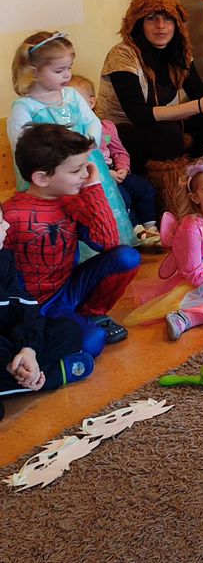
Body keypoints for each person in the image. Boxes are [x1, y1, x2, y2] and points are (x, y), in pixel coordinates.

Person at [1, 125, 140, 352]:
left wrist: (93, 188)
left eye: (86, 167)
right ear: (42, 178)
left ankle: (90, 314)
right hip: (30, 308)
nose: (85, 175)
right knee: (92, 342)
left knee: (127, 257)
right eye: (76, 171)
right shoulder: (11, 215)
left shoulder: (73, 202)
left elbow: (108, 243)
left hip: (66, 291)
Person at [9, 32, 135, 249]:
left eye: (69, 68)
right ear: (34, 72)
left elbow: (92, 121)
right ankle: (67, 255)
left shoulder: (72, 96)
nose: (67, 75)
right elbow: (21, 145)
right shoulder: (25, 106)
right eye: (59, 70)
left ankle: (102, 249)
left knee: (92, 208)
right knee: (60, 218)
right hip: (51, 176)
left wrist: (88, 142)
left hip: (85, 165)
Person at [96, 0, 203, 170]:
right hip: (116, 133)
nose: (161, 26)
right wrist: (200, 105)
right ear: (138, 23)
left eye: (168, 18)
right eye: (151, 18)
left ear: (177, 24)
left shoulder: (179, 52)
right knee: (169, 132)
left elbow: (198, 93)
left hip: (158, 124)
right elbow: (138, 114)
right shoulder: (122, 54)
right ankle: (171, 184)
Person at [122, 149, 203, 344]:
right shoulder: (192, 227)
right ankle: (187, 318)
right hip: (200, 283)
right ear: (195, 197)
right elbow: (193, 271)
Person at [0, 215, 94, 420]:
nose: (6, 225)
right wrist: (8, 362)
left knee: (69, 331)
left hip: (10, 343)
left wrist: (28, 349)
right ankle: (50, 377)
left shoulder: (4, 259)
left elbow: (26, 306)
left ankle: (25, 375)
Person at [68, 75, 159, 245]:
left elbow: (119, 151)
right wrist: (107, 174)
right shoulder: (72, 135)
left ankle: (150, 226)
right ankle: (136, 230)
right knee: (123, 198)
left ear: (91, 102)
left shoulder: (107, 127)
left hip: (117, 172)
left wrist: (123, 168)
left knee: (145, 188)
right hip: (100, 177)